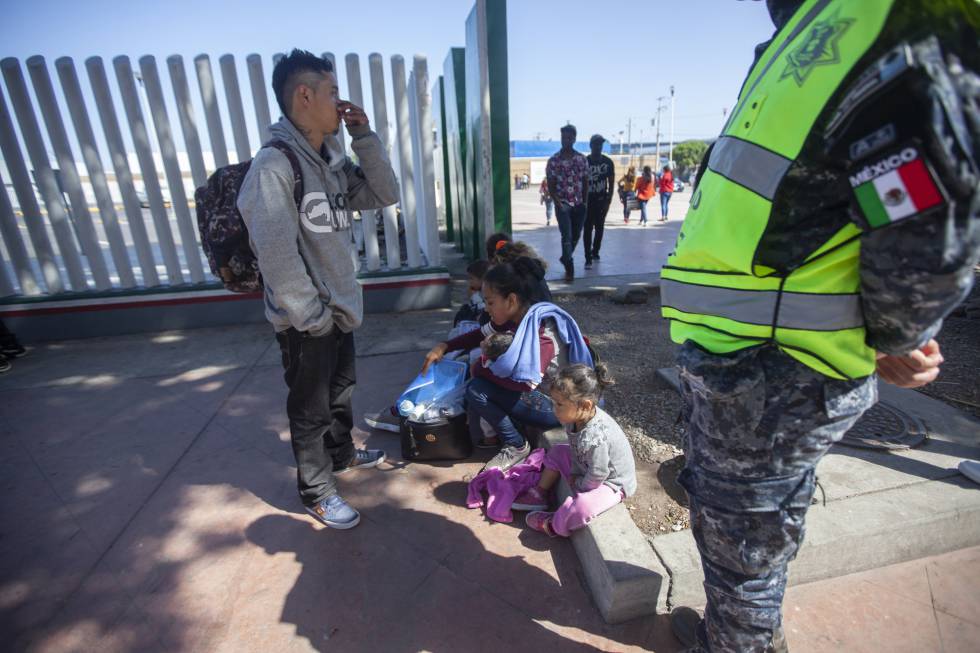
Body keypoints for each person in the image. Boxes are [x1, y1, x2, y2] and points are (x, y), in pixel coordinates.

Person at [661, 2, 980, 651]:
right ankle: (749, 634)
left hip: (774, 363)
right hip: (745, 353)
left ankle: (737, 644)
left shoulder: (901, 24)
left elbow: (925, 223)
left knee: (744, 540)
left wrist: (894, 335)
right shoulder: (823, 20)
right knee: (744, 524)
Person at [237, 49, 399, 530]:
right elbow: (276, 251)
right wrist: (311, 316)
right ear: (304, 96)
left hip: (338, 309)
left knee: (341, 391)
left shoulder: (331, 162)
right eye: (332, 91)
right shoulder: (274, 165)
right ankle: (317, 490)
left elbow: (384, 193)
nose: (341, 100)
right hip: (306, 318)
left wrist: (364, 137)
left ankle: (343, 454)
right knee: (309, 410)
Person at [421, 257, 592, 471]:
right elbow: (478, 335)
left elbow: (524, 385)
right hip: (539, 394)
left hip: (556, 407)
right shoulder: (518, 318)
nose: (486, 309)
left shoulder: (542, 335)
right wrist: (444, 346)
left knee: (478, 390)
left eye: (490, 302)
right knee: (480, 377)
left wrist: (481, 369)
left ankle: (516, 445)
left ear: (511, 300)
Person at [512, 364, 637, 538]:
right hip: (588, 466)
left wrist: (579, 484)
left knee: (583, 506)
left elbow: (599, 473)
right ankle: (539, 493)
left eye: (559, 404)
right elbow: (577, 450)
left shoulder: (596, 437)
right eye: (553, 402)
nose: (554, 408)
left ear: (585, 406)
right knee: (556, 452)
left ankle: (554, 526)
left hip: (612, 482)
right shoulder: (575, 417)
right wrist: (576, 472)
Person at [546, 124, 589, 281]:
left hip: (579, 204)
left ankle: (566, 257)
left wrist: (585, 203)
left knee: (576, 235)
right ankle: (569, 266)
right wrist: (557, 203)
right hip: (562, 203)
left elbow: (585, 182)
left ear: (574, 139)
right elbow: (551, 184)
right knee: (567, 236)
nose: (566, 140)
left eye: (569, 137)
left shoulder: (581, 159)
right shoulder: (553, 161)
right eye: (564, 137)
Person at [583, 134, 616, 269]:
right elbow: (581, 182)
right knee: (587, 229)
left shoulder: (608, 162)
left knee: (600, 227)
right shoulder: (585, 162)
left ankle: (595, 251)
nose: (598, 146)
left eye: (600, 144)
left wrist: (609, 200)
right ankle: (587, 257)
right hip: (587, 201)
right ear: (591, 145)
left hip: (602, 200)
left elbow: (612, 183)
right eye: (596, 144)